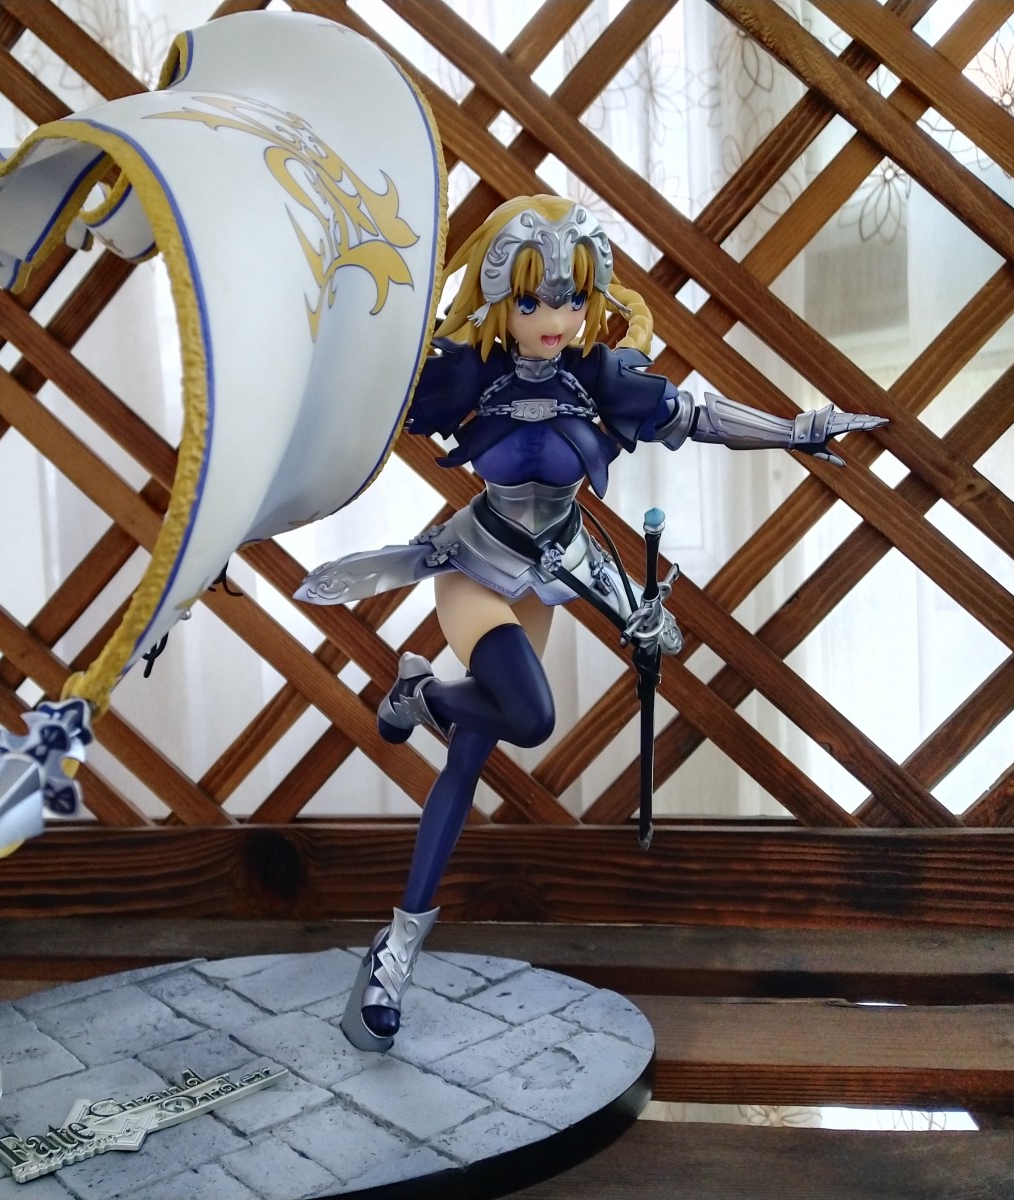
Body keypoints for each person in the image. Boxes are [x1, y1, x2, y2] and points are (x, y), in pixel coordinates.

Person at [296, 194, 885, 1052]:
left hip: (554, 574)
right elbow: (366, 405)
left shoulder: (600, 377)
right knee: (530, 717)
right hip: (471, 564)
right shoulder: (469, 374)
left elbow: (696, 417)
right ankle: (420, 700)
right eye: (531, 299)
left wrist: (795, 430)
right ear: (499, 296)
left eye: (571, 299)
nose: (555, 317)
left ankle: (396, 945)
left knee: (472, 750)